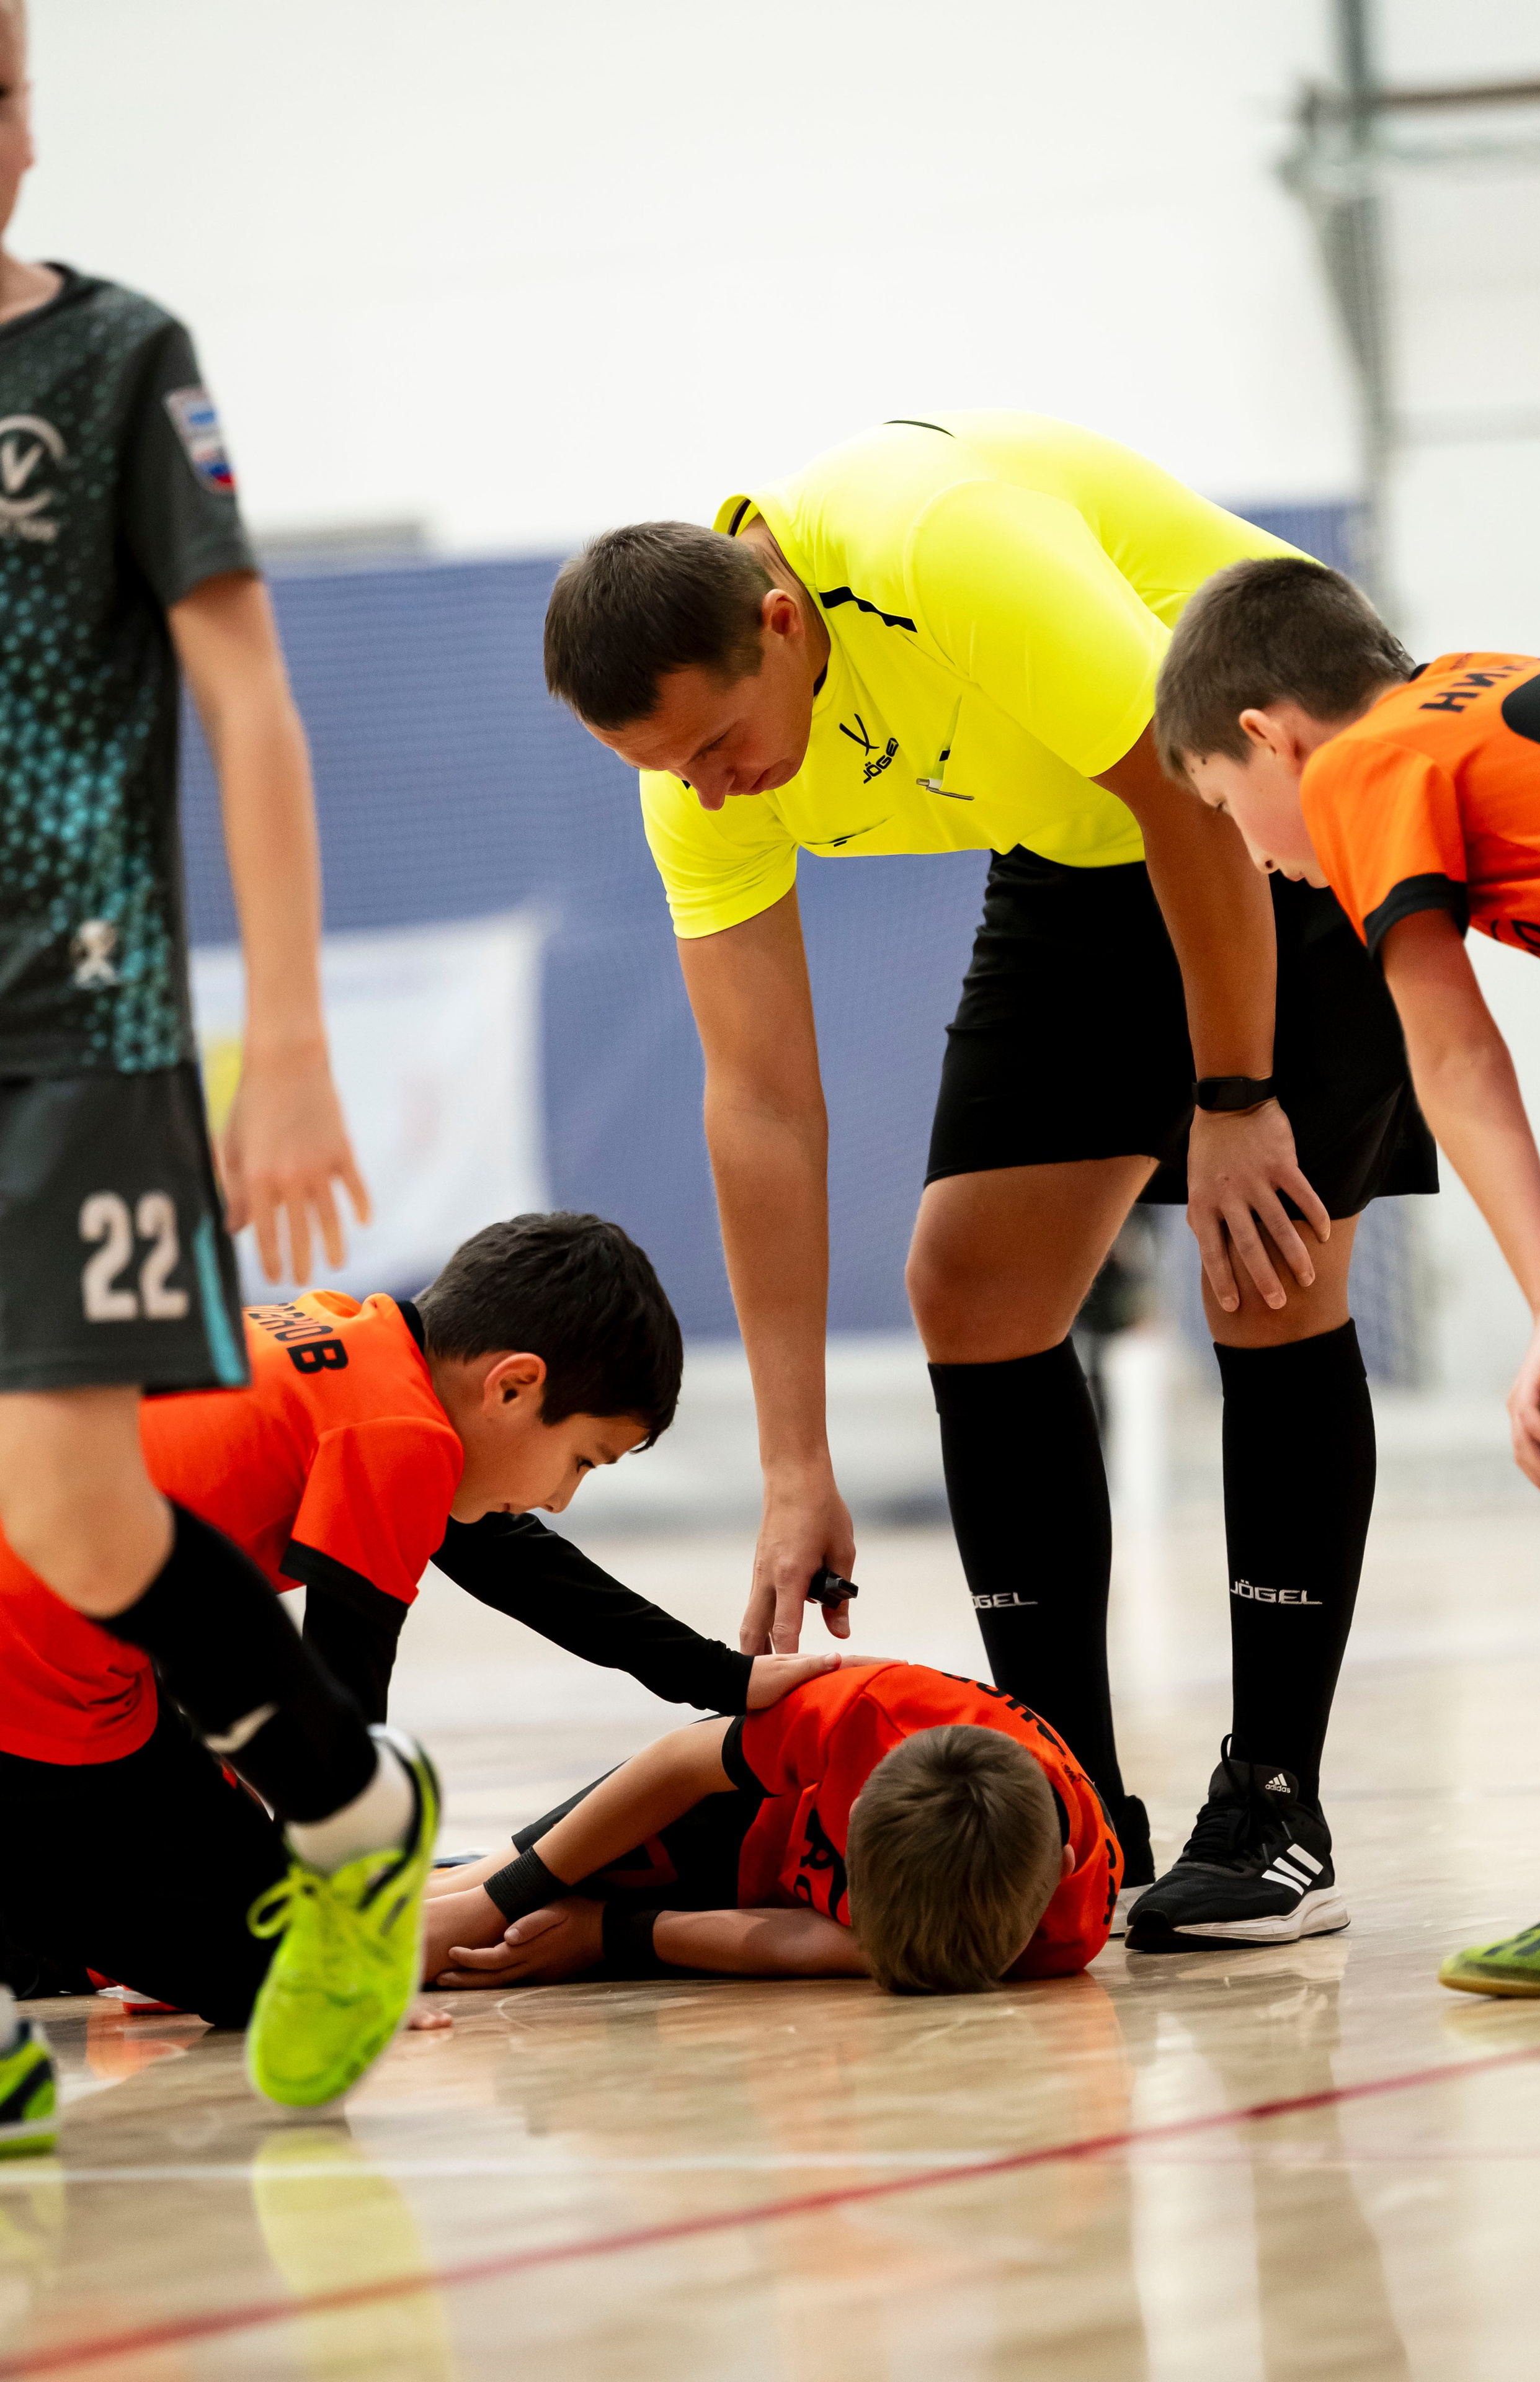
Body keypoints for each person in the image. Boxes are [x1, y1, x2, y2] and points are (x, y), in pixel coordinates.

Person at [541, 411, 1436, 1943]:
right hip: (1083, 844)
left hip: (1274, 789)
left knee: (1264, 1268)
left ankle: (1272, 1805)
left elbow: (1188, 798)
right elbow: (759, 1102)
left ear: (781, 622)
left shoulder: (934, 545)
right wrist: (793, 1467)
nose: (707, 790)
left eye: (713, 745)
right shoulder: (692, 777)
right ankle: (1067, 1800)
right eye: (663, 767)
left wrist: (1231, 1096)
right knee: (968, 1288)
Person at [0, 1, 453, 2113]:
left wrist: (287, 1043)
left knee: (81, 1524)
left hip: (74, 1026)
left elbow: (251, 703)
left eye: (7, 101)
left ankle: (350, 1821)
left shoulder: (116, 360)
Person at [0, 1211, 836, 2041]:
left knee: (226, 1889)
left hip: (64, 1653)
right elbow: (336, 1700)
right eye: (582, 1460)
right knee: (293, 1981)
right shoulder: (398, 1437)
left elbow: (515, 1564)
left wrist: (722, 1677)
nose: (560, 1500)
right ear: (512, 1386)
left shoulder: (354, 1343)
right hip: (39, 1694)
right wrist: (348, 1952)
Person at [1154, 553, 1540, 1986]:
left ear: (1269, 737)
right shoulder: (1463, 695)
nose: (1257, 860)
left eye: (1229, 812)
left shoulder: (1356, 771)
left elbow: (1448, 1054)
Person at [421, 1661, 1119, 1994]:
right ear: (849, 1818)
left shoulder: (1064, 1931)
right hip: (746, 1807)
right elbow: (679, 1765)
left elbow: (829, 1947)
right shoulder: (862, 1715)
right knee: (465, 1911)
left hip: (774, 1900)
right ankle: (452, 1881)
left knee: (521, 1941)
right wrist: (493, 1897)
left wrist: (611, 1934)